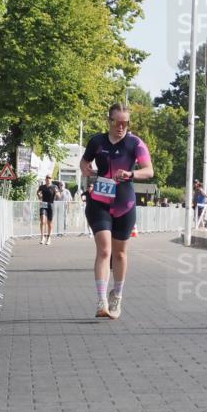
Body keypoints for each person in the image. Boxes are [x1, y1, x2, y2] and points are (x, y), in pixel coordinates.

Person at [79, 103, 154, 319]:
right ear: (109, 121)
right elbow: (84, 162)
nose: (121, 127)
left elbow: (149, 170)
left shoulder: (135, 143)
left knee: (119, 253)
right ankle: (101, 300)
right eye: (117, 122)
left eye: (125, 123)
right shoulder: (97, 141)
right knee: (104, 250)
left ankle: (117, 296)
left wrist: (131, 174)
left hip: (124, 204)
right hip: (99, 202)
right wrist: (86, 169)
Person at [36, 174, 57, 245]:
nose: (48, 179)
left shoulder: (54, 187)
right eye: (47, 178)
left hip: (51, 205)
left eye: (50, 178)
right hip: (43, 204)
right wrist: (39, 195)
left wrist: (56, 193)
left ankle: (49, 237)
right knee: (42, 220)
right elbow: (38, 193)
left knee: (49, 223)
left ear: (51, 179)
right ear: (45, 179)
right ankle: (42, 237)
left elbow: (59, 196)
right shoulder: (42, 187)